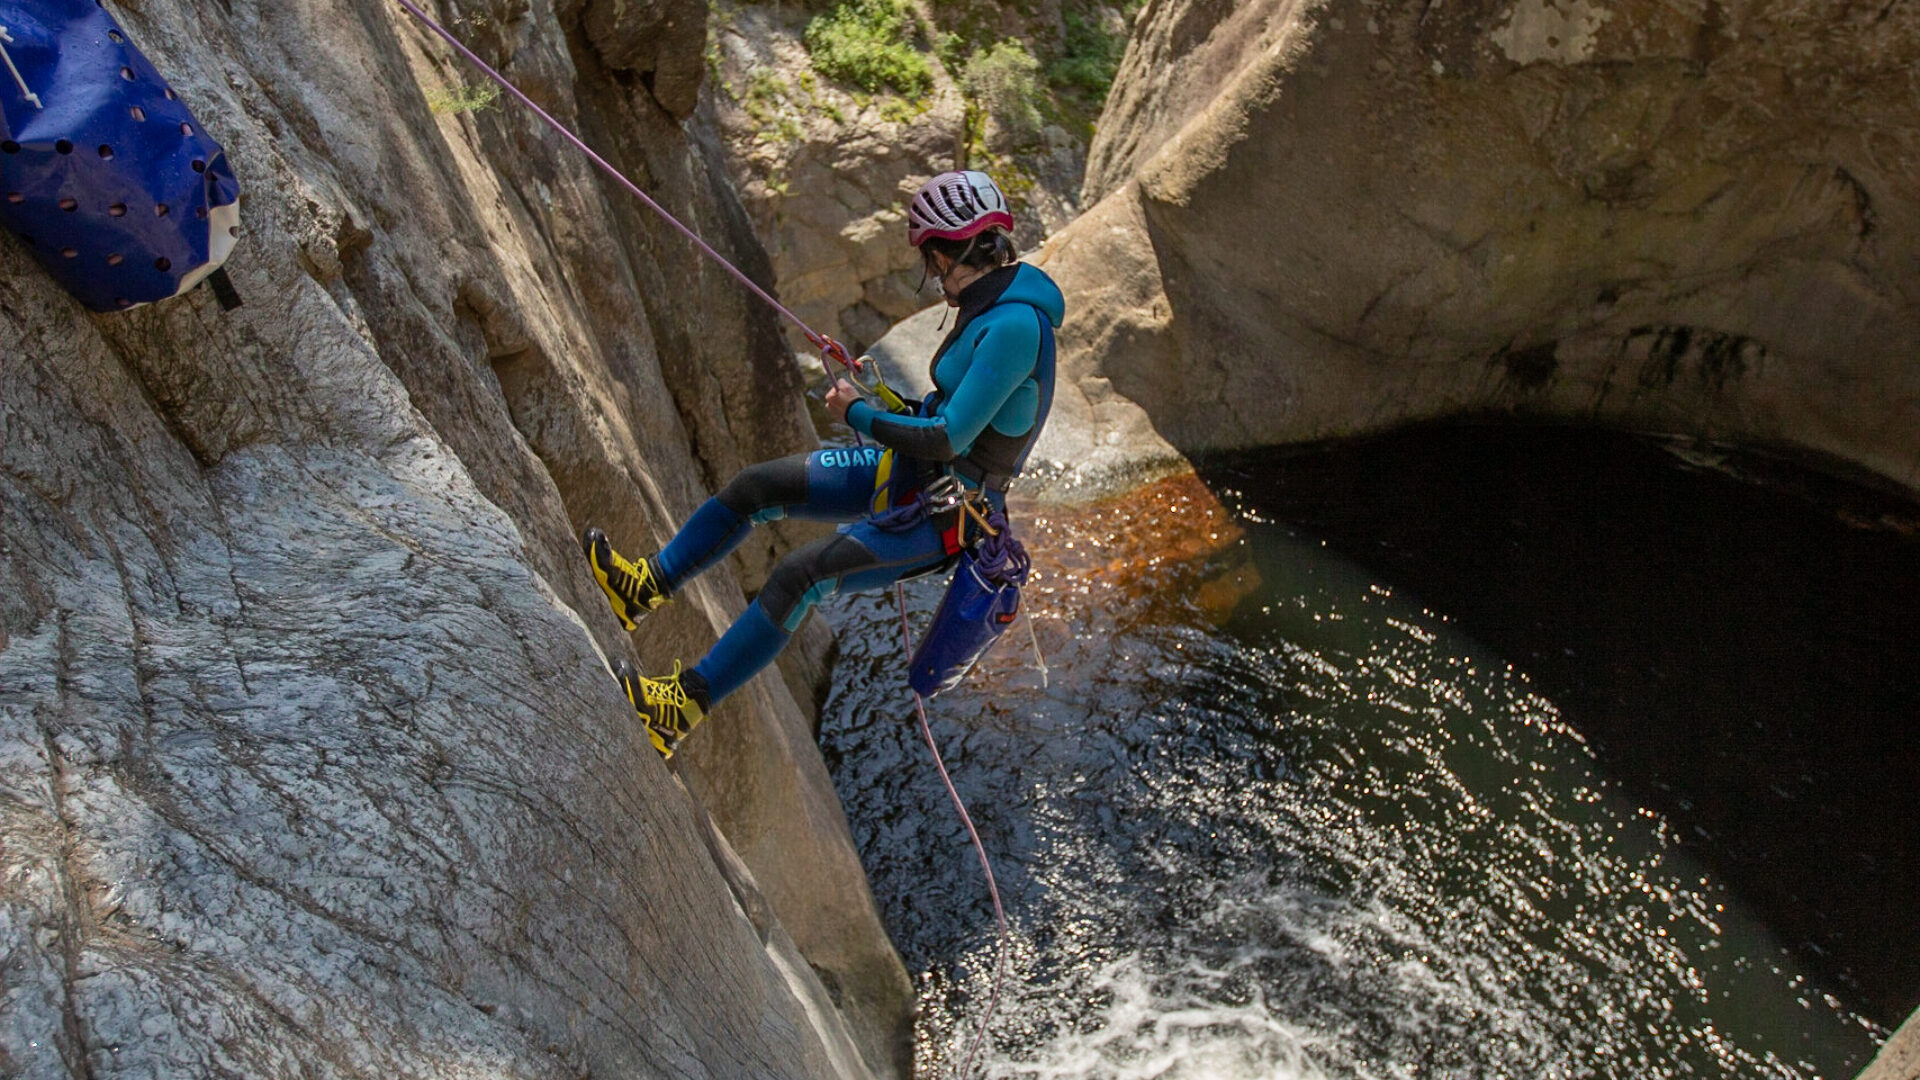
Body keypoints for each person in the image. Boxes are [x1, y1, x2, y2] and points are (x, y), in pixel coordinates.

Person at [583, 170, 1064, 757]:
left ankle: (679, 708)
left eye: (930, 261)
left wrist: (858, 414)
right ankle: (642, 590)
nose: (932, 275)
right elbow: (950, 413)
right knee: (757, 487)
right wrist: (880, 398)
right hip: (913, 477)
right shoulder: (992, 303)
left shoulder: (1014, 325)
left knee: (799, 576)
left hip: (946, 513)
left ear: (945, 252)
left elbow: (946, 438)